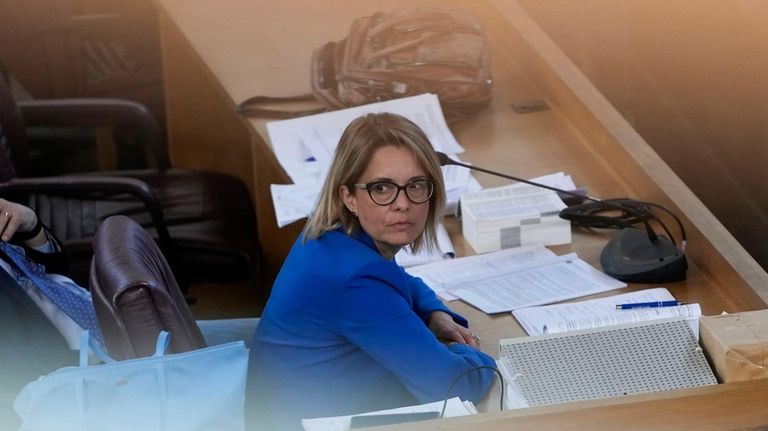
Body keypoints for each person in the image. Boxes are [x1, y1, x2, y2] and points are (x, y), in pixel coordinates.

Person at [249, 113, 496, 430]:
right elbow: (455, 386)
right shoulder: (355, 281)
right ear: (349, 196)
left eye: (416, 186)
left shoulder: (331, 234)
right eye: (382, 189)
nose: (402, 204)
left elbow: (399, 280)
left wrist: (434, 311)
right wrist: (476, 355)